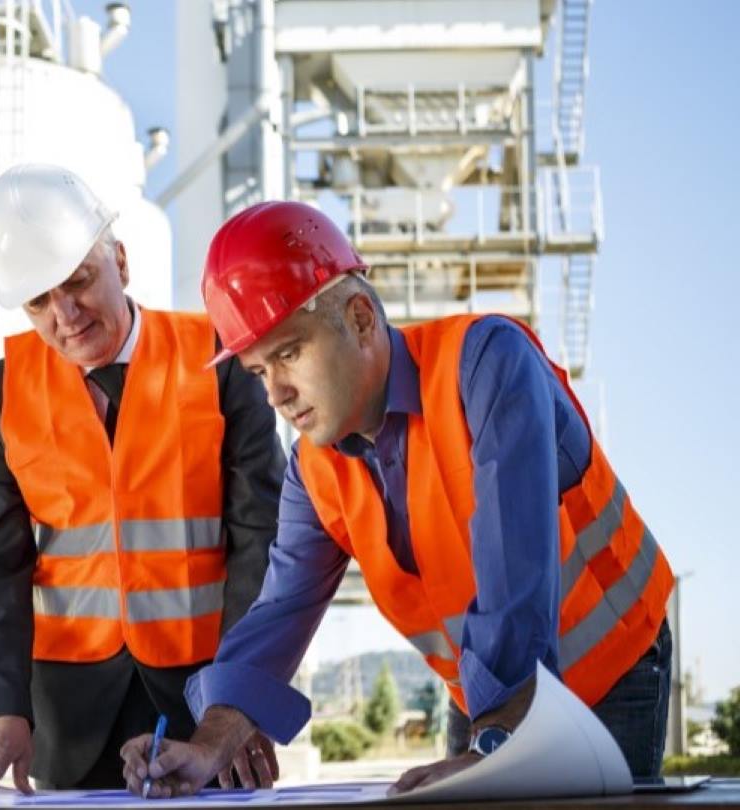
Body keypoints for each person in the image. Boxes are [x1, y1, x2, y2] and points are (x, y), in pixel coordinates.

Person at [121, 201, 674, 797]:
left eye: (288, 353)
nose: (276, 393)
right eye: (258, 372)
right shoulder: (316, 469)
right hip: (488, 693)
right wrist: (209, 742)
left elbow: (513, 569)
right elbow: (279, 612)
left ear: (360, 319)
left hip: (614, 671)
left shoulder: (487, 364)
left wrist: (496, 743)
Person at [0, 164, 288, 793]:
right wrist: (2, 706)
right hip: (64, 723)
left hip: (205, 705)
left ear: (121, 263)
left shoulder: (219, 364)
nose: (66, 314)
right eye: (39, 301)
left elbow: (264, 544)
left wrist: (242, 705)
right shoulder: (2, 396)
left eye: (79, 281)